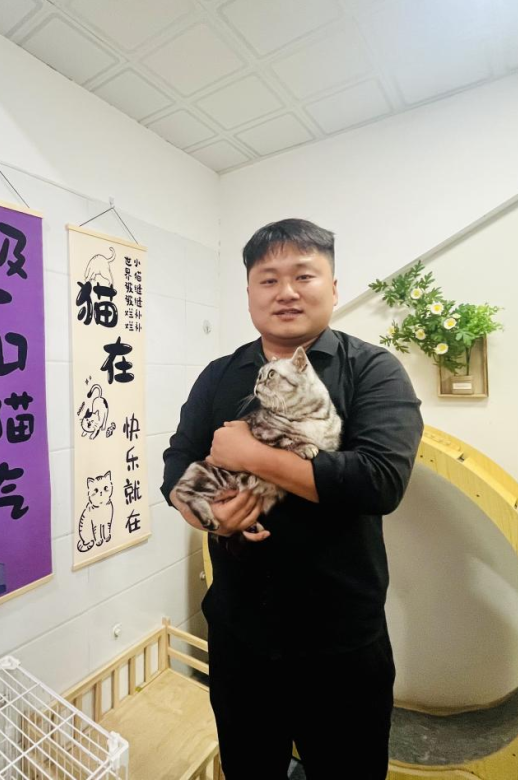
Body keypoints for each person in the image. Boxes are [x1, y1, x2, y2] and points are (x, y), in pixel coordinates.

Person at [161, 219, 424, 779]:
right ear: (249, 293)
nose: (286, 292)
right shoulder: (220, 375)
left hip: (342, 642)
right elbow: (176, 463)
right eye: (268, 279)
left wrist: (252, 455)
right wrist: (207, 514)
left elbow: (380, 480)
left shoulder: (372, 370)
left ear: (333, 286)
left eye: (304, 275)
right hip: (240, 637)